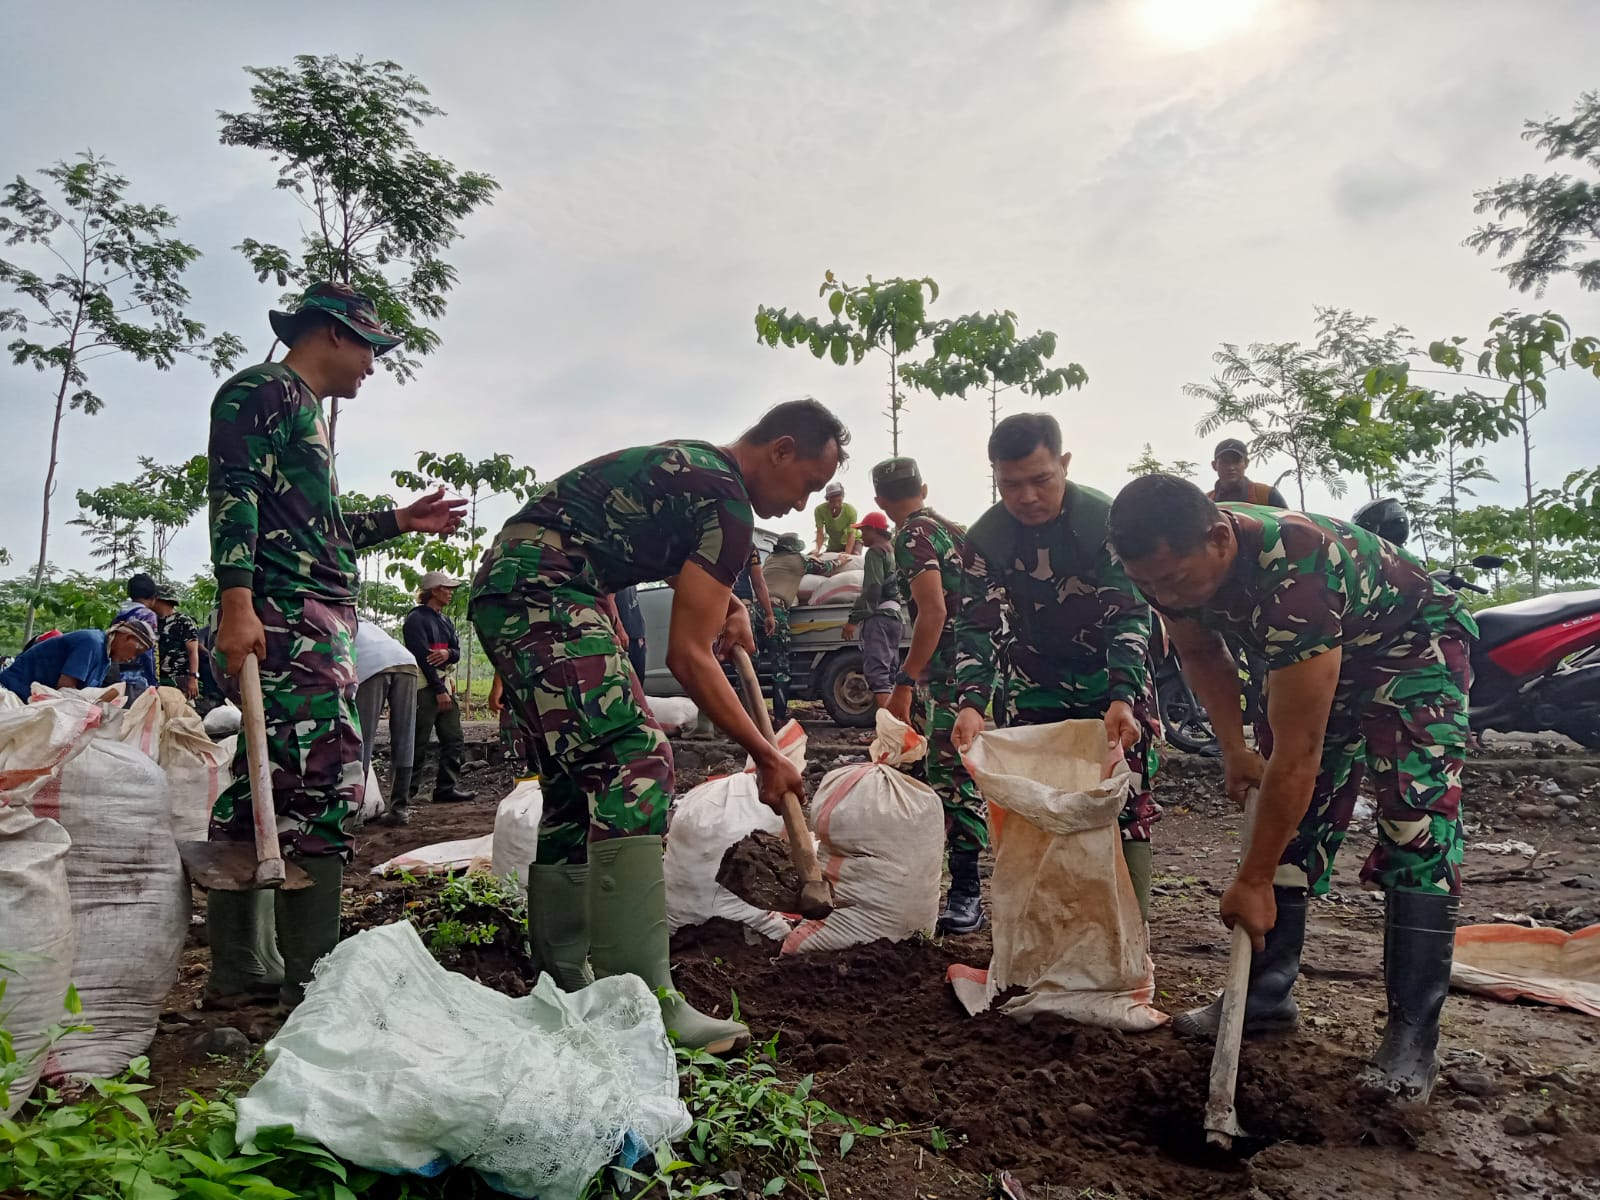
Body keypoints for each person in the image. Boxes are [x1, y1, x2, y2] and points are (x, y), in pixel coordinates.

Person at [471, 398, 848, 1053]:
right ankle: (641, 1006)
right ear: (781, 449)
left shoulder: (699, 470)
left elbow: (664, 553)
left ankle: (565, 976)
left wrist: (728, 600)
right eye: (807, 486)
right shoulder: (727, 500)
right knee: (637, 760)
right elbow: (688, 657)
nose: (799, 506)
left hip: (516, 580)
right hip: (547, 589)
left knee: (575, 779)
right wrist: (765, 755)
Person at [1108, 474, 1476, 1102]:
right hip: (1310, 660)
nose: (1164, 594)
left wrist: (1252, 880)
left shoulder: (1295, 573)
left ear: (1220, 538)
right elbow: (1201, 656)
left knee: (1414, 823)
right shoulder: (1167, 566)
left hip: (1414, 653)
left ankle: (1413, 1037)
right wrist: (1234, 749)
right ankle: (1264, 994)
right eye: (1150, 584)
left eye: (1175, 580)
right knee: (1287, 826)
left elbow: (1300, 753)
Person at [205, 280, 464, 1009]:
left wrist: (399, 520)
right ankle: (309, 984)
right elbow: (234, 493)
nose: (373, 368)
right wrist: (237, 602)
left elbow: (313, 526)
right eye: (370, 349)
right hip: (286, 615)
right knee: (323, 778)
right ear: (332, 334)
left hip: (310, 613)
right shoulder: (262, 391)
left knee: (271, 780)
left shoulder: (305, 417)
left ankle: (243, 970)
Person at [947, 415, 1161, 923]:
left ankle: (1129, 935)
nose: (1025, 496)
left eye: (1040, 479)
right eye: (1010, 484)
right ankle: (1051, 929)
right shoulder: (987, 538)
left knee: (1125, 801)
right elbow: (978, 624)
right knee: (1038, 802)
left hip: (1110, 678)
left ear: (1064, 464)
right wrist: (973, 703)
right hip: (1035, 679)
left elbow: (1128, 612)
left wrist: (1123, 695)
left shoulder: (1103, 523)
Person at [870, 456, 990, 934]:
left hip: (954, 674)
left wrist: (904, 682)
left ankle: (966, 895)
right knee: (943, 771)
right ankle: (940, 882)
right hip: (977, 667)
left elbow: (933, 611)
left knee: (951, 775)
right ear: (923, 486)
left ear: (880, 500)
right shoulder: (949, 530)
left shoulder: (913, 536)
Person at [404, 571, 475, 806]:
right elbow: (423, 658)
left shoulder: (444, 619)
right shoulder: (416, 619)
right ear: (434, 591)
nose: (450, 592)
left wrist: (447, 654)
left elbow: (456, 651)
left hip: (443, 683)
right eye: (446, 588)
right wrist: (438, 690)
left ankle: (447, 787)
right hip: (426, 685)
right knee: (418, 741)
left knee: (454, 738)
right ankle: (405, 794)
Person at [354, 621, 420, 826]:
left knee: (362, 739)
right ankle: (400, 810)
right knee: (405, 737)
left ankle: (354, 815)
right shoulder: (367, 624)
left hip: (372, 667)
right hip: (407, 662)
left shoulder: (338, 620)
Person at [0, 618, 153, 701]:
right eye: (137, 652)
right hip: (12, 693)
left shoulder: (105, 660)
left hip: (31, 700)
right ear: (127, 638)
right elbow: (65, 688)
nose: (132, 658)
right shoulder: (91, 643)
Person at [841, 513, 903, 711]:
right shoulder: (891, 551)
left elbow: (872, 589)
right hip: (894, 617)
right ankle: (896, 727)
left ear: (875, 530)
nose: (861, 535)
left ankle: (887, 730)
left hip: (880, 619)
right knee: (890, 672)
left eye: (864, 530)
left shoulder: (875, 552)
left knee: (878, 674)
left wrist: (853, 619)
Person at [755, 534, 808, 723]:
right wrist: (840, 559)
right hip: (774, 612)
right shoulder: (798, 561)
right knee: (780, 668)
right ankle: (779, 718)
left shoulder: (770, 559)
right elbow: (825, 567)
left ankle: (751, 717)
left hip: (753, 612)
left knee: (751, 667)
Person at [138, 577, 202, 701]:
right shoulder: (151, 622)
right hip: (154, 680)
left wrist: (193, 677)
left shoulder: (184, 621)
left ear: (161, 600)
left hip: (179, 681)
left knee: (180, 716)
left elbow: (193, 651)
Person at [1208, 438, 1287, 507]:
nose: (1231, 467)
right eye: (1225, 462)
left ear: (1246, 463)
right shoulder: (1206, 502)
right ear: (1214, 465)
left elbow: (1289, 522)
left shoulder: (1266, 495)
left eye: (1236, 461)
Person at [813, 481, 859, 555]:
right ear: (827, 499)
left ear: (843, 498)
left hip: (853, 543)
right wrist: (817, 550)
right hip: (834, 545)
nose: (836, 504)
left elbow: (851, 535)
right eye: (833, 501)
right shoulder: (820, 510)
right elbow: (820, 532)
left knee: (851, 560)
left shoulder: (850, 511)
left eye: (839, 501)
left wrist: (847, 554)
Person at [613, 586, 648, 680]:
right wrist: (619, 629)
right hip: (625, 636)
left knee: (639, 680)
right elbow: (609, 598)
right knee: (630, 684)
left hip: (637, 633)